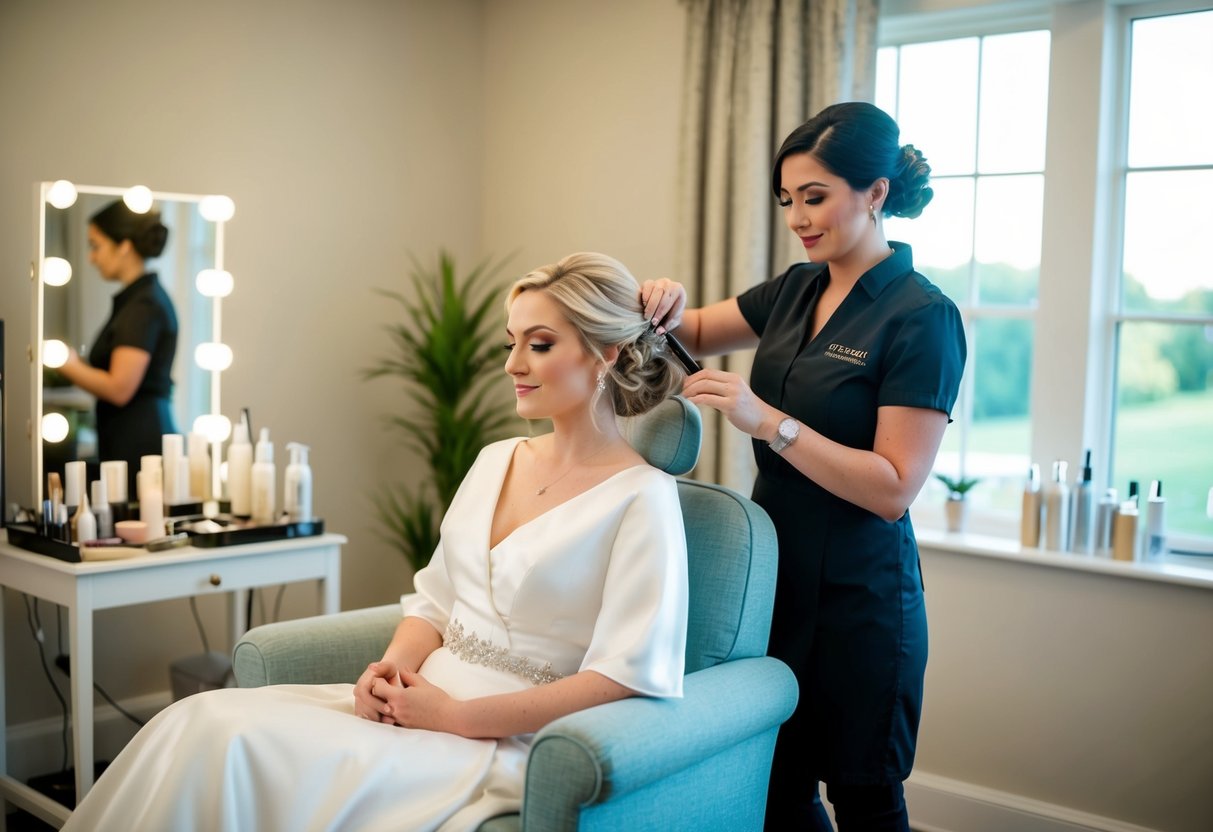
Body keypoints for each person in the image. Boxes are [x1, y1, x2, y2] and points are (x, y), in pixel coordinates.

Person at [62, 252, 689, 831]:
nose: (512, 365)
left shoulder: (644, 498)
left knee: (245, 750)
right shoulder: (498, 459)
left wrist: (456, 718)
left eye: (539, 344)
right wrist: (391, 667)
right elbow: (436, 603)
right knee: (197, 721)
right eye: (511, 343)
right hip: (411, 710)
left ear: (606, 353)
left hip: (496, 739)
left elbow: (622, 678)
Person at [641, 101, 966, 831]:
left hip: (860, 599)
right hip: (770, 581)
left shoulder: (921, 316)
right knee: (772, 787)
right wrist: (661, 299)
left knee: (864, 796)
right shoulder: (794, 288)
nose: (797, 217)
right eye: (788, 200)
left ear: (875, 193)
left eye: (814, 198)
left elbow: (893, 489)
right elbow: (686, 330)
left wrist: (769, 422)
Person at [56, 200, 177, 499]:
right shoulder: (135, 301)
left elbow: (119, 387)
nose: (91, 257)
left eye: (96, 246)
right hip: (128, 436)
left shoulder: (143, 305)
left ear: (124, 245)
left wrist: (68, 364)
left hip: (141, 444)